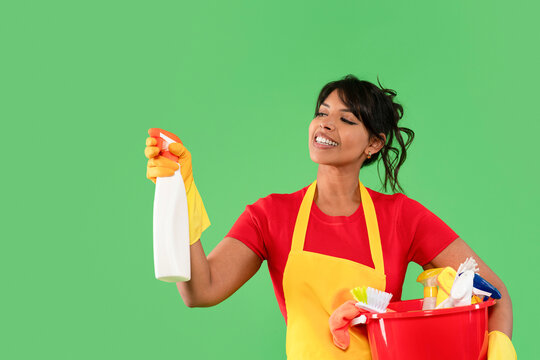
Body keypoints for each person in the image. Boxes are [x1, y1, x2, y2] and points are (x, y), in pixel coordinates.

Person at [145, 75, 515, 359]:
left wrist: (496, 347)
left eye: (346, 119)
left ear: (374, 143)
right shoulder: (271, 215)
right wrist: (181, 194)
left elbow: (494, 294)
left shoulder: (402, 217)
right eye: (321, 113)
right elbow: (200, 290)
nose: (325, 124)